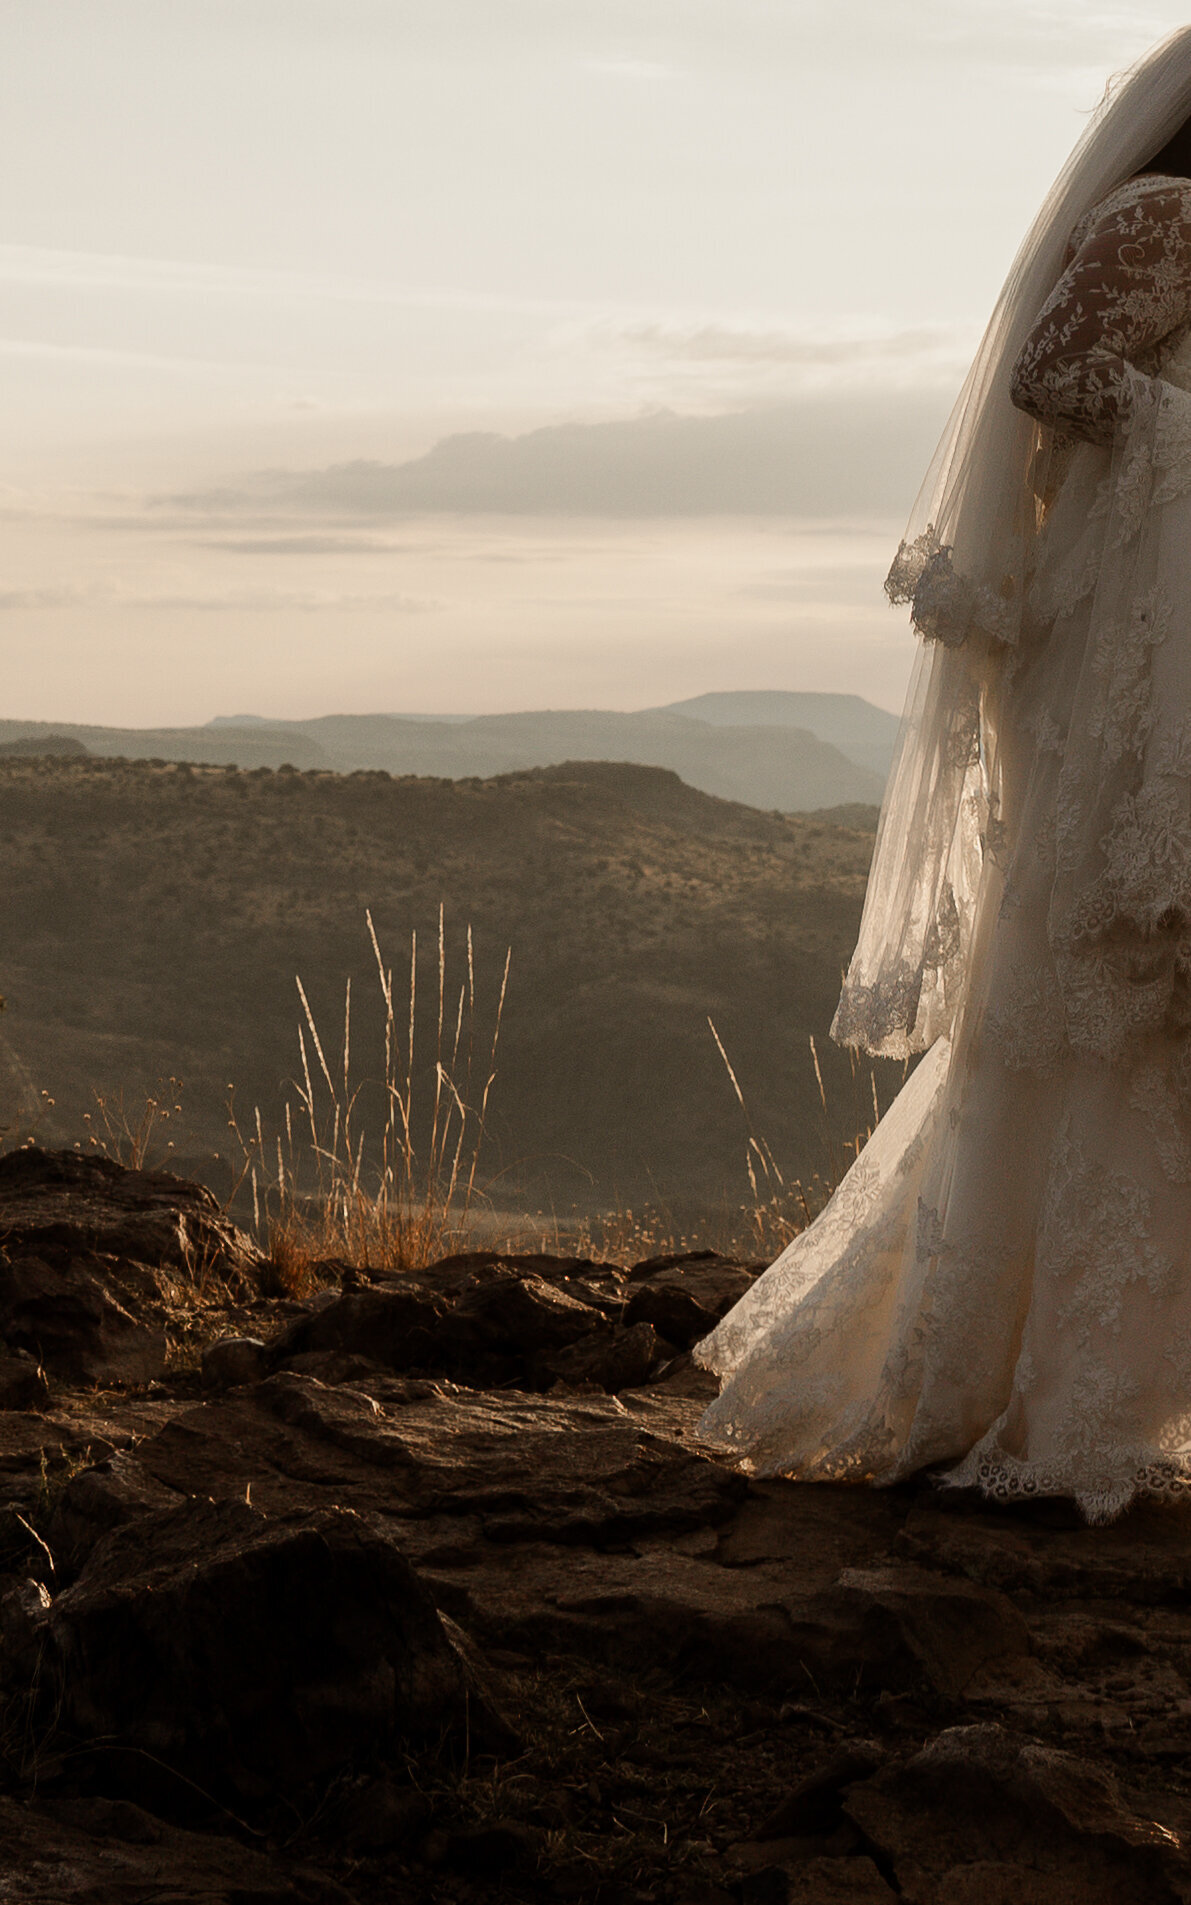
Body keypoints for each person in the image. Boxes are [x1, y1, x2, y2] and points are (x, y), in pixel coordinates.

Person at [694, 28, 1191, 1524]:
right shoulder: (1163, 214)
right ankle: (1044, 1390)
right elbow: (1054, 378)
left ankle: (1115, 1379)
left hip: (1164, 647)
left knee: (1150, 993)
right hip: (1123, 652)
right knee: (1098, 981)